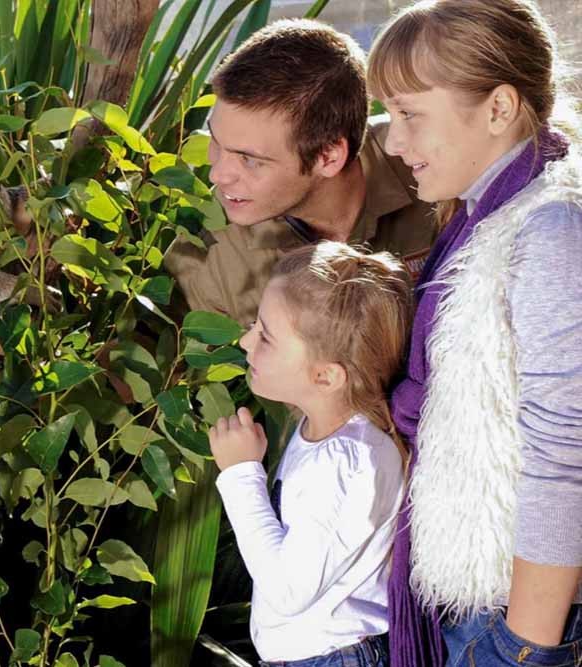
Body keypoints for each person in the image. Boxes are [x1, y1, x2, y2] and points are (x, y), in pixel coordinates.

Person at [366, 1, 582, 666]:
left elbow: (566, 447)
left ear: (499, 108)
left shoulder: (551, 228)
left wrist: (526, 643)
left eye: (410, 114)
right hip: (487, 604)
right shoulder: (482, 220)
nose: (393, 142)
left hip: (521, 617)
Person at [208, 242, 412, 667]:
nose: (245, 341)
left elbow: (288, 590)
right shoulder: (326, 433)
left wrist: (241, 475)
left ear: (326, 376)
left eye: (265, 336)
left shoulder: (346, 462)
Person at [166, 18, 436, 327]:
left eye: (249, 159)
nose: (218, 175)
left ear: (328, 157)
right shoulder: (204, 251)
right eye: (216, 141)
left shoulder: (433, 165)